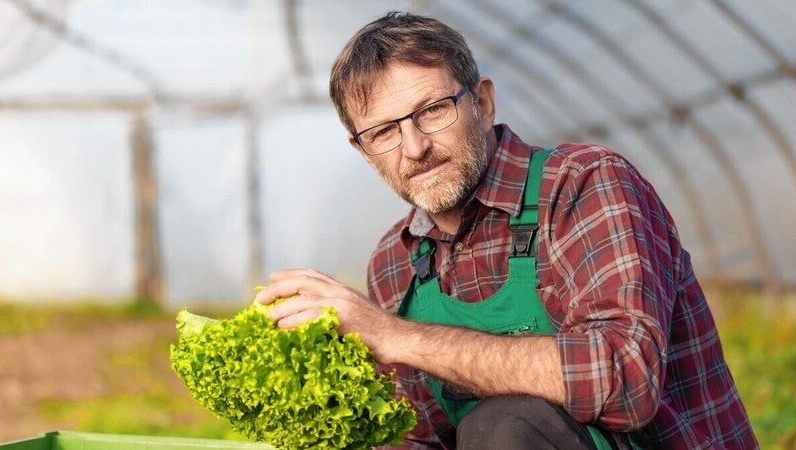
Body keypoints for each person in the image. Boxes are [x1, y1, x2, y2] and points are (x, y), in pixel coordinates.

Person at [256, 11, 758, 450]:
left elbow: (626, 378)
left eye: (432, 111)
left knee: (503, 427)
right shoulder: (395, 261)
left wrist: (395, 336)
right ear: (362, 151)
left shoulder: (582, 184)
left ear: (484, 102)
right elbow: (427, 436)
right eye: (384, 132)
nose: (414, 147)